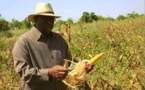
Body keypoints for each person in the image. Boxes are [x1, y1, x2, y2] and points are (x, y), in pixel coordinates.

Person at [12, 2, 93, 90]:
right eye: (45, 19)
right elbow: (23, 72)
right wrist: (48, 73)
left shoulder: (59, 39)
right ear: (36, 19)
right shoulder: (24, 42)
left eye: (52, 19)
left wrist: (82, 67)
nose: (50, 23)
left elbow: (69, 62)